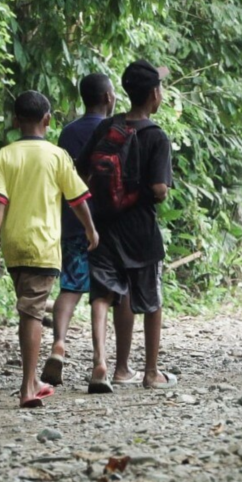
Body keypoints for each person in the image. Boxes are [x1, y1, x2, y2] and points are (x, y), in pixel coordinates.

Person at [0, 90, 100, 408]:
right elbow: (77, 199)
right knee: (32, 314)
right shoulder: (57, 156)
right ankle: (27, 388)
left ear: (14, 120)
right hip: (43, 245)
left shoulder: (6, 155)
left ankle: (33, 380)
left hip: (14, 245)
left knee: (28, 309)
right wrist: (91, 229)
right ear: (48, 120)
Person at [76, 60, 176, 391]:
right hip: (140, 230)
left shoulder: (107, 128)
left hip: (104, 225)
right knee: (150, 298)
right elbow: (160, 190)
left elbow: (82, 172)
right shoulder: (156, 136)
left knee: (104, 295)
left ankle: (104, 365)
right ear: (153, 95)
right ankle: (150, 372)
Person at [41, 73, 139, 387]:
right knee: (107, 293)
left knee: (70, 287)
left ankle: (59, 344)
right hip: (109, 225)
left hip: (72, 222)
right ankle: (102, 362)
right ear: (110, 97)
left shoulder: (68, 133)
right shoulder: (117, 130)